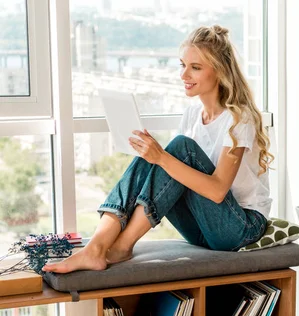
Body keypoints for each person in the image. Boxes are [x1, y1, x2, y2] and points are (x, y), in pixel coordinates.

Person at [43, 25, 272, 274]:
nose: (184, 74)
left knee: (176, 150)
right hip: (201, 228)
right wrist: (156, 156)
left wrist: (162, 157)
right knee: (155, 157)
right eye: (182, 65)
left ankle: (120, 247)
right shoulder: (192, 115)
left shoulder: (239, 119)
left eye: (195, 67)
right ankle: (97, 247)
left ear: (219, 72)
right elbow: (175, 177)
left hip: (239, 227)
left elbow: (217, 191)